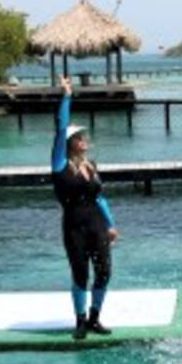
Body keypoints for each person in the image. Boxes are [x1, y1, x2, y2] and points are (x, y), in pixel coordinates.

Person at [52, 76, 119, 340]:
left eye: (84, 136)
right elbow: (60, 127)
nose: (84, 139)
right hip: (74, 226)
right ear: (69, 143)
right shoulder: (59, 164)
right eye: (79, 137)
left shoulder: (91, 166)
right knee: (80, 272)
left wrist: (111, 224)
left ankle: (94, 318)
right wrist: (67, 95)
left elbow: (100, 198)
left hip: (96, 225)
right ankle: (79, 321)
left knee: (104, 272)